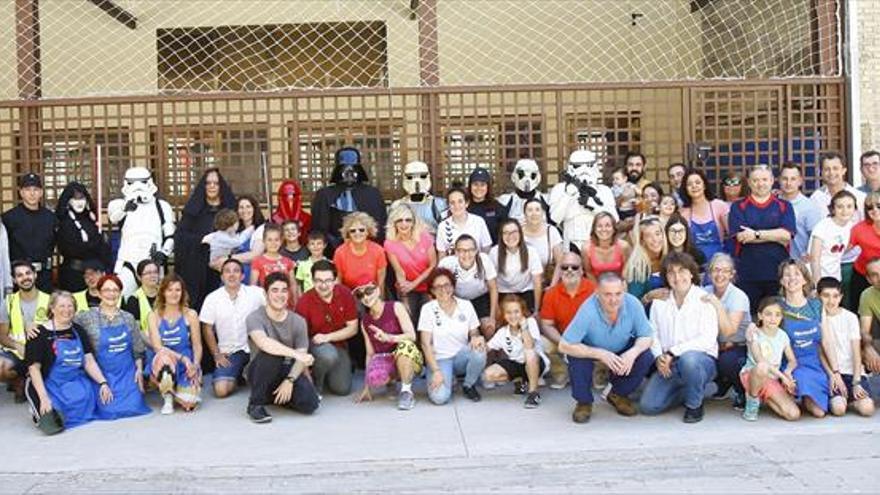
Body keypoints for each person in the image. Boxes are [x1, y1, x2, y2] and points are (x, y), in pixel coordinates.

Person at [558, 272, 654, 424]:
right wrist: (599, 353)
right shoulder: (587, 310)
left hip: (622, 345)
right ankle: (584, 402)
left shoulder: (633, 303)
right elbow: (564, 345)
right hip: (593, 347)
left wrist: (633, 352)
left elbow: (647, 336)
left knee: (645, 355)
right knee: (576, 356)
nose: (613, 300)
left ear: (624, 290)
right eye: (607, 294)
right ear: (597, 292)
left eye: (618, 293)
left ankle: (617, 394)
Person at [640, 252, 719, 423]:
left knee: (689, 360)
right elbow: (652, 333)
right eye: (671, 272)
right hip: (670, 364)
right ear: (666, 277)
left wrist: (672, 353)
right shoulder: (659, 301)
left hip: (700, 361)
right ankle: (695, 388)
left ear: (691, 273)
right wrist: (659, 357)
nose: (677, 277)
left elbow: (707, 339)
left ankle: (694, 405)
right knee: (648, 406)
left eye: (682, 271)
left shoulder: (703, 299)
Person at [25, 291, 111, 433]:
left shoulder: (78, 330)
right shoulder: (38, 334)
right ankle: (36, 406)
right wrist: (43, 397)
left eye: (70, 306)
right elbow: (34, 369)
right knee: (52, 425)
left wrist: (103, 383)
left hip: (76, 382)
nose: (67, 310)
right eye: (62, 306)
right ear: (52, 309)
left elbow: (88, 361)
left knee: (106, 406)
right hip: (49, 385)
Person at [73, 274, 150, 420]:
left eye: (115, 290)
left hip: (127, 374)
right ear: (99, 292)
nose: (111, 294)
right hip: (102, 375)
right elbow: (63, 321)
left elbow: (138, 350)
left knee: (134, 407)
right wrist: (37, 327)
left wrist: (139, 371)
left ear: (120, 293)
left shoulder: (128, 318)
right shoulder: (86, 317)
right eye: (107, 290)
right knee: (108, 410)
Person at [245, 272, 319, 423]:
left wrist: (290, 380)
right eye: (275, 290)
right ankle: (255, 404)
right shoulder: (254, 317)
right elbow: (264, 343)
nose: (280, 295)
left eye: (284, 290)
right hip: (260, 370)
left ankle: (274, 395)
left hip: (286, 369)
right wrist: (296, 355)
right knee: (272, 354)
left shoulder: (298, 321)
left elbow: (301, 355)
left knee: (310, 403)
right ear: (266, 294)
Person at [777, 260, 846, 418]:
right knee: (818, 412)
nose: (792, 278)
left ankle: (805, 398)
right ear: (781, 281)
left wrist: (835, 372)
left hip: (816, 363)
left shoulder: (816, 305)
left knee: (827, 410)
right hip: (791, 364)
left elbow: (826, 341)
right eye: (787, 274)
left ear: (804, 280)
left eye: (797, 274)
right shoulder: (777, 306)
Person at [728, 165, 795, 313]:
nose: (760, 183)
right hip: (748, 274)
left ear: (772, 181)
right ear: (749, 182)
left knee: (778, 316)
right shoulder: (738, 207)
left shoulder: (784, 206)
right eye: (756, 180)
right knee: (750, 319)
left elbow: (786, 235)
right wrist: (774, 235)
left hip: (778, 274)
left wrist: (756, 234)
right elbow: (742, 237)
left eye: (764, 179)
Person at [418, 268, 487, 404]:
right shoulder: (428, 309)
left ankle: (468, 384)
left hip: (461, 355)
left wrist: (475, 337)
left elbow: (474, 332)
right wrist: (436, 371)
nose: (443, 290)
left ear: (453, 286)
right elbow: (426, 344)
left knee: (480, 350)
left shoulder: (466, 305)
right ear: (432, 291)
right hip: (440, 359)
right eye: (438, 287)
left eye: (447, 285)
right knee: (440, 398)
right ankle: (446, 376)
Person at [200, 258, 266, 398]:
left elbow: (273, 310)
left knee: (268, 382)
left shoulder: (256, 293)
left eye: (236, 271)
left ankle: (249, 371)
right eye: (227, 271)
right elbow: (207, 329)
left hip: (255, 348)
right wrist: (216, 354)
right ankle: (239, 373)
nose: (231, 275)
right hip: (229, 351)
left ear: (242, 276)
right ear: (222, 276)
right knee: (221, 390)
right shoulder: (212, 298)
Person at [174, 168, 237, 310]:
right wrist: (202, 239)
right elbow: (180, 237)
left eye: (216, 183)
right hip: (196, 269)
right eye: (208, 183)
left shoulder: (230, 209)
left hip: (222, 267)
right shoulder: (193, 209)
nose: (212, 186)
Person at [810, 153, 866, 308]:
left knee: (849, 305)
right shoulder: (816, 198)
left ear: (844, 170)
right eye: (826, 169)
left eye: (835, 168)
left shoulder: (859, 197)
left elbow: (865, 227)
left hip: (851, 262)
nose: (831, 172)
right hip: (823, 265)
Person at [354, 282, 422, 410]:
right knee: (374, 378)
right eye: (360, 295)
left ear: (378, 290)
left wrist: (389, 338)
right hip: (386, 358)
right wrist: (367, 387)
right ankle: (392, 380)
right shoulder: (365, 321)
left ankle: (406, 391)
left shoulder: (396, 307)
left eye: (369, 291)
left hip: (407, 355)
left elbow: (412, 336)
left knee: (405, 347)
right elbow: (370, 353)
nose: (366, 297)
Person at [294, 260, 358, 396]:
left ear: (335, 280)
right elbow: (300, 339)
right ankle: (317, 382)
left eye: (328, 280)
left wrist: (327, 337)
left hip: (338, 344)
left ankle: (328, 370)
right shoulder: (304, 301)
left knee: (342, 389)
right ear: (312, 280)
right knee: (328, 355)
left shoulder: (345, 294)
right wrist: (303, 365)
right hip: (314, 344)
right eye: (318, 281)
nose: (323, 285)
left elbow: (353, 329)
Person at [818, 277, 875, 417]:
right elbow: (820, 351)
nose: (831, 301)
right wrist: (832, 375)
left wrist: (856, 382)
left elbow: (856, 352)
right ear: (818, 296)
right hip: (832, 373)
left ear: (841, 297)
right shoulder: (817, 319)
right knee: (838, 409)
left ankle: (851, 400)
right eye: (826, 296)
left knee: (867, 409)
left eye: (835, 296)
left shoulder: (850, 317)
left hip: (853, 372)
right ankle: (841, 400)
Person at [539, 252, 596, 389]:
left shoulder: (594, 290)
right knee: (541, 342)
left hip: (591, 338)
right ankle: (561, 373)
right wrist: (564, 343)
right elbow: (547, 325)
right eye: (564, 267)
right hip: (564, 338)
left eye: (574, 267)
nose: (569, 270)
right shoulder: (551, 293)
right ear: (560, 271)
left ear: (582, 270)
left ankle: (599, 373)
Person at [311, 147, 386, 251]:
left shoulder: (372, 194)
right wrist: (336, 246)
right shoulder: (324, 195)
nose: (349, 173)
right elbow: (320, 227)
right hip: (334, 250)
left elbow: (379, 226)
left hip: (367, 250)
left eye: (353, 169)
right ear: (338, 170)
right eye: (344, 168)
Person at [148, 274, 202, 415]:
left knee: (189, 404)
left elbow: (197, 346)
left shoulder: (191, 315)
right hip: (165, 359)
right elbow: (157, 347)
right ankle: (168, 398)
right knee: (164, 359)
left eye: (178, 290)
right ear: (163, 292)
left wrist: (195, 366)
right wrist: (182, 358)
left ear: (183, 292)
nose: (174, 294)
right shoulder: (154, 316)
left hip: (187, 362)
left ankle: (179, 389)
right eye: (169, 290)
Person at [739, 297, 800, 421]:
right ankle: (752, 401)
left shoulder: (783, 335)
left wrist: (787, 372)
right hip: (753, 375)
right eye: (768, 314)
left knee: (793, 414)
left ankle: (766, 398)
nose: (773, 319)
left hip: (771, 378)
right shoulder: (754, 334)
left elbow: (792, 360)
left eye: (777, 315)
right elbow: (761, 361)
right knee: (762, 367)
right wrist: (783, 378)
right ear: (760, 316)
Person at [702, 253, 751, 408]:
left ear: (732, 274)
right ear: (709, 273)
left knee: (727, 361)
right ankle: (723, 382)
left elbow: (729, 331)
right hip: (715, 345)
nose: (720, 274)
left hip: (738, 345)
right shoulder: (704, 291)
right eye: (716, 270)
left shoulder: (738, 296)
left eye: (725, 271)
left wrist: (716, 303)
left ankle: (742, 391)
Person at [483, 295, 549, 408]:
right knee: (488, 375)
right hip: (517, 364)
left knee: (529, 352)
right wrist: (478, 342)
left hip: (535, 363)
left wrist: (523, 326)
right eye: (508, 312)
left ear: (522, 312)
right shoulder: (503, 332)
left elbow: (529, 345)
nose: (513, 316)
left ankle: (533, 393)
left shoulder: (530, 322)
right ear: (504, 315)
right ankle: (521, 381)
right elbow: (487, 348)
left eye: (516, 312)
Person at [1, 260, 49, 401]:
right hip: (18, 353)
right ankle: (18, 381)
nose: (25, 278)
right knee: (1, 366)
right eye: (20, 275)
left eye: (28, 273)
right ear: (15, 280)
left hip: (42, 354)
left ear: (35, 275)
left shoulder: (49, 300)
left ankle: (34, 381)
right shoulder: (8, 302)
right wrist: (18, 346)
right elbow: (1, 336)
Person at [2, 172, 57, 292]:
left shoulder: (51, 218)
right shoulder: (9, 218)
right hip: (20, 277)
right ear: (21, 192)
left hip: (44, 277)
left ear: (41, 193)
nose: (32, 193)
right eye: (27, 189)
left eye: (36, 189)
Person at [438, 235, 499, 338]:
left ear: (476, 251)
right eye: (462, 250)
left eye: (470, 250)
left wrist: (492, 318)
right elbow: (438, 289)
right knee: (463, 333)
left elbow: (493, 288)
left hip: (481, 299)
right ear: (456, 252)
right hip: (458, 301)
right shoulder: (447, 264)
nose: (466, 254)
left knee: (489, 330)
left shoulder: (484, 260)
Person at [54, 182, 111, 292]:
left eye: (82, 198)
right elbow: (70, 249)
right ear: (69, 200)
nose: (79, 202)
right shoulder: (64, 222)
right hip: (74, 275)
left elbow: (104, 247)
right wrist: (95, 245)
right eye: (75, 198)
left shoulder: (91, 219)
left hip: (95, 274)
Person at [384, 204, 437, 323]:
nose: (404, 224)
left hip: (429, 286)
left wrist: (415, 284)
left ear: (413, 222)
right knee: (409, 318)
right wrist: (404, 298)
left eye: (408, 220)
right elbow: (399, 272)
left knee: (429, 320)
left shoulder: (425, 237)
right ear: (394, 223)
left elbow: (433, 265)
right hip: (407, 288)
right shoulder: (390, 243)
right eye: (400, 220)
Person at [490, 219, 543, 313]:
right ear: (501, 236)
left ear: (520, 234)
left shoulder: (531, 251)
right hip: (503, 292)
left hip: (526, 291)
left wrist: (537, 309)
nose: (510, 236)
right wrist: (496, 308)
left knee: (527, 320)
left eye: (514, 232)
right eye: (506, 232)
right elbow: (492, 283)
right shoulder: (494, 252)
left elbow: (537, 282)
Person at [809, 190, 858, 287]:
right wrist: (817, 283)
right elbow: (815, 258)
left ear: (855, 209)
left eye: (849, 206)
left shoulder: (851, 227)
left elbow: (846, 248)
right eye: (840, 207)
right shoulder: (823, 226)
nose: (845, 211)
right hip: (816, 275)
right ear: (833, 209)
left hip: (835, 276)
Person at [678, 168, 728, 263]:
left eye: (698, 182)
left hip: (719, 263)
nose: (694, 186)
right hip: (694, 263)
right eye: (689, 184)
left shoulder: (719, 206)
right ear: (685, 189)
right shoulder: (682, 213)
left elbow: (732, 233)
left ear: (704, 185)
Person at [333, 212, 388, 296]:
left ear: (368, 232)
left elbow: (381, 282)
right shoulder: (340, 252)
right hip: (350, 293)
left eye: (361, 230)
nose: (357, 233)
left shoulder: (378, 250)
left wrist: (380, 303)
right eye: (353, 230)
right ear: (348, 234)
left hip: (372, 292)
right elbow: (338, 281)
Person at [778, 163, 823, 262]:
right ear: (779, 180)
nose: (788, 183)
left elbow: (816, 236)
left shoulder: (810, 207)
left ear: (800, 181)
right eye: (785, 179)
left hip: (799, 264)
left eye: (793, 179)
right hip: (774, 261)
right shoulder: (773, 203)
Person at [216, 195, 267, 283]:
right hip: (231, 275)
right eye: (241, 207)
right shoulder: (235, 231)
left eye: (248, 207)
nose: (245, 210)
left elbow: (255, 255)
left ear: (254, 209)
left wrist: (229, 258)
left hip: (249, 275)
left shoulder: (260, 229)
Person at [436, 186, 492, 256]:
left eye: (460, 201)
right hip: (452, 266)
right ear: (448, 205)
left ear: (467, 203)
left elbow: (486, 249)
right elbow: (442, 255)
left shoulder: (479, 222)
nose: (456, 206)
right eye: (452, 202)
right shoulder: (443, 226)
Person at [846, 192, 880, 306]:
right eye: (870, 207)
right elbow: (842, 249)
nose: (875, 210)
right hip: (862, 274)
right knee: (858, 308)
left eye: (878, 206)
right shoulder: (859, 229)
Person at [521, 198, 563, 285]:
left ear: (543, 213)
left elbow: (560, 262)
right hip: (523, 285)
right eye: (529, 210)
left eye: (537, 210)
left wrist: (552, 286)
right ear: (524, 214)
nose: (534, 213)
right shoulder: (518, 231)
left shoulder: (551, 231)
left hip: (546, 282)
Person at [624, 215, 667, 300]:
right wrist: (648, 297)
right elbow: (633, 303)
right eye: (648, 236)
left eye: (657, 234)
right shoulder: (637, 267)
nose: (655, 239)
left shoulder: (669, 258)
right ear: (642, 241)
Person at [582, 212, 631, 282]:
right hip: (597, 286)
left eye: (608, 226)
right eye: (599, 226)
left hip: (620, 284)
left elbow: (627, 272)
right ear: (594, 229)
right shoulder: (586, 248)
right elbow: (589, 272)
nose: (604, 229)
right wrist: (598, 289)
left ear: (614, 229)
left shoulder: (624, 246)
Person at [251, 224, 296, 293]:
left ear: (281, 241)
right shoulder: (257, 261)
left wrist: (295, 302)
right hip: (266, 301)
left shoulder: (288, 261)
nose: (273, 243)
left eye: (276, 240)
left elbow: (293, 284)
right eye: (269, 240)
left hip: (285, 301)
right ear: (264, 241)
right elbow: (253, 286)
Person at [466, 167, 505, 245]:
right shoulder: (464, 207)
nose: (478, 188)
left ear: (488, 187)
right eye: (475, 184)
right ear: (470, 186)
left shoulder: (498, 208)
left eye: (482, 185)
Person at [124, 259, 161, 338]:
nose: (153, 275)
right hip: (146, 342)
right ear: (139, 276)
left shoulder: (166, 294)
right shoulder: (134, 299)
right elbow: (135, 331)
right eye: (148, 273)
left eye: (155, 272)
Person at [857, 257, 880, 378]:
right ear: (869, 279)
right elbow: (864, 330)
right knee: (859, 347)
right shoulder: (867, 295)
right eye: (875, 275)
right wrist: (868, 347)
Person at [270, 179, 312, 245]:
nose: (290, 199)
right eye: (286, 196)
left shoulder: (306, 218)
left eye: (293, 195)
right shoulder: (274, 219)